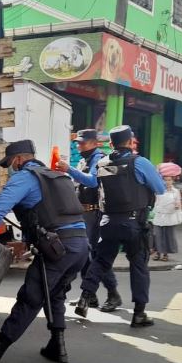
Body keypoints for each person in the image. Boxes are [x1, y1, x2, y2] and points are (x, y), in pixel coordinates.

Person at [0, 140, 89, 363]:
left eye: (10, 163)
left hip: (58, 248)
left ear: (19, 160)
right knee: (55, 294)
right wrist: (26, 242)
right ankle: (57, 346)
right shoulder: (57, 176)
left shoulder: (25, 177)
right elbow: (45, 214)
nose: (10, 169)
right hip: (80, 246)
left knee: (31, 297)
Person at [75, 126, 166, 326]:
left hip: (107, 222)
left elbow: (92, 185)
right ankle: (139, 314)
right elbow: (160, 189)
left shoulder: (101, 163)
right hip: (134, 223)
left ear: (110, 144)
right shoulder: (140, 163)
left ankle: (84, 298)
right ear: (131, 142)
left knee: (100, 261)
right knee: (139, 266)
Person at [56, 129, 120, 311]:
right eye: (77, 142)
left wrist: (69, 169)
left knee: (96, 256)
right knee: (85, 256)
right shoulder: (85, 159)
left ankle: (113, 294)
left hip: (94, 214)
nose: (79, 145)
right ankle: (90, 296)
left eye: (82, 142)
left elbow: (92, 181)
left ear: (94, 143)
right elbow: (79, 182)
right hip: (83, 213)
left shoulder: (99, 160)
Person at [151, 174, 182, 262]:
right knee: (157, 235)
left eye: (169, 180)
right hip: (159, 215)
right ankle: (157, 253)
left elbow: (178, 202)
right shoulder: (158, 190)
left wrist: (177, 205)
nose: (167, 182)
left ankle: (165, 254)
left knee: (168, 236)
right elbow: (155, 202)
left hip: (170, 216)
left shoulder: (175, 191)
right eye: (165, 180)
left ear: (172, 181)